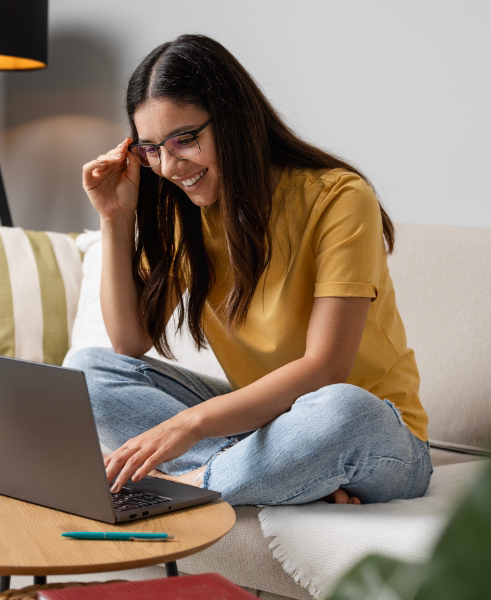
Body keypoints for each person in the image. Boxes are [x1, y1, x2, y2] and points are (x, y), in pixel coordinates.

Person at [71, 34, 433, 506]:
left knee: (344, 410)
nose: (170, 166)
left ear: (234, 120)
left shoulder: (339, 197)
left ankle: (191, 487)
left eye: (184, 139)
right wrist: (114, 218)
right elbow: (129, 342)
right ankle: (282, 472)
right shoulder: (187, 215)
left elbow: (327, 368)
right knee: (86, 370)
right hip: (267, 427)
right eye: (150, 149)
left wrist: (189, 424)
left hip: (379, 435)